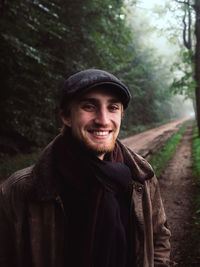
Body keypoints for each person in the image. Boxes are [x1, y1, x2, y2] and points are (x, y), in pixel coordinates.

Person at [0, 69, 171, 267]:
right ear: (66, 116)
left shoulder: (141, 176)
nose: (103, 120)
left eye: (113, 107)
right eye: (89, 106)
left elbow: (159, 237)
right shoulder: (19, 190)